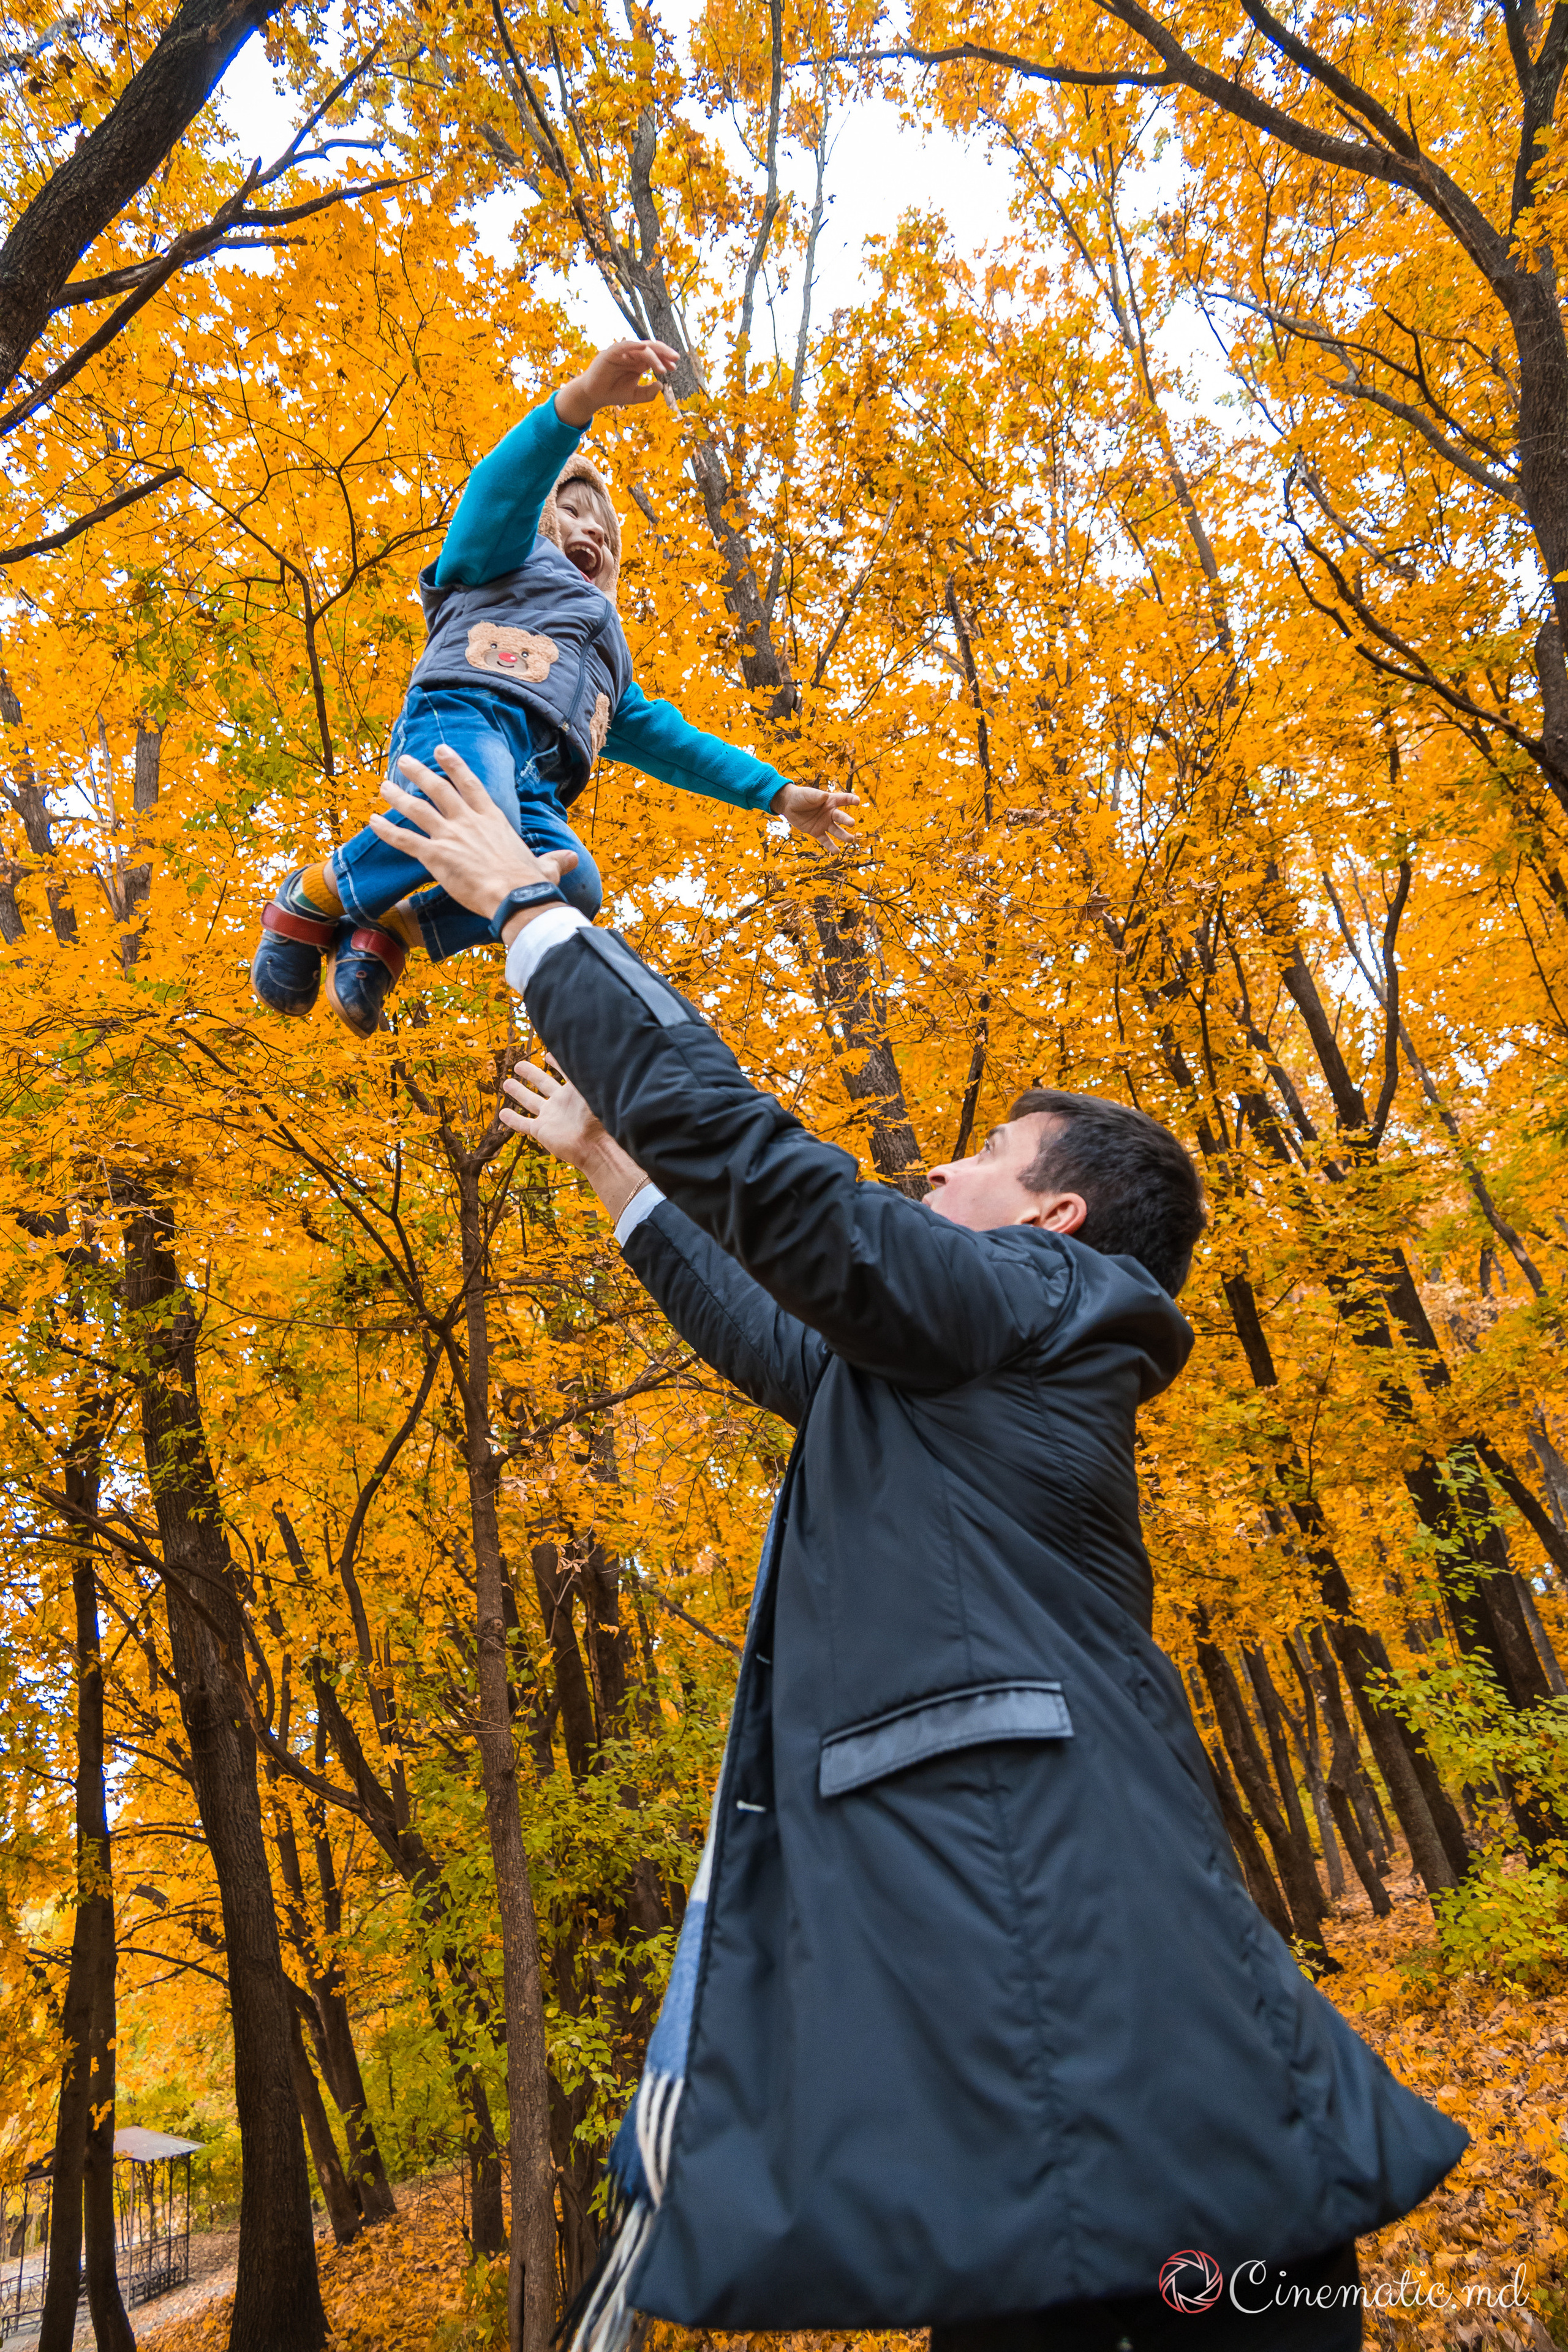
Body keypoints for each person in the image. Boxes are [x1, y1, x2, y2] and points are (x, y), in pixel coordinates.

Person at [368, 747, 1467, 2350]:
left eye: (977, 1160)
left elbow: (784, 1189)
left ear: (1054, 1221)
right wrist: (613, 1169)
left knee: (1206, 2262)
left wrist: (539, 920)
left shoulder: (1050, 1311)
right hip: (1027, 1998)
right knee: (1071, 2261)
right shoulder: (958, 1361)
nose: (934, 1167)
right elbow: (783, 1337)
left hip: (1077, 1956)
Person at [249, 337, 854, 1038]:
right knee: (479, 805)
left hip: (539, 784)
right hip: (466, 714)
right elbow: (500, 487)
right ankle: (315, 897)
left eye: (601, 525)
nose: (589, 526)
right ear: (542, 518)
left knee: (573, 886)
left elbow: (674, 742)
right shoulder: (500, 558)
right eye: (571, 510)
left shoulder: (608, 662)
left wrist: (775, 793)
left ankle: (388, 934)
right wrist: (580, 403)